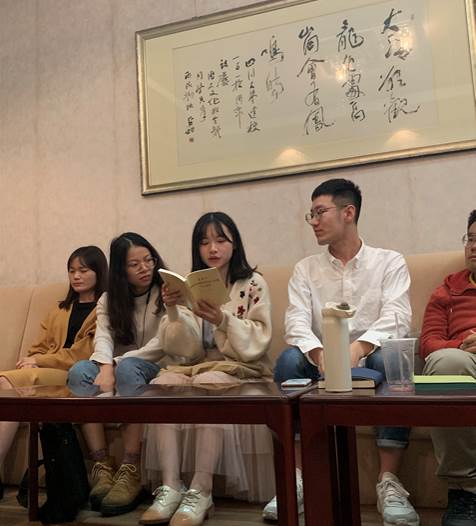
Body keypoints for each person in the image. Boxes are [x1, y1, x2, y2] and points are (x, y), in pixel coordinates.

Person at [263, 178, 420, 526]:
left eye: (320, 212)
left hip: (371, 361)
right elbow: (296, 323)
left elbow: (398, 317)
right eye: (311, 214)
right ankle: (298, 479)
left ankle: (389, 481)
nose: (313, 221)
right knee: (289, 359)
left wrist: (358, 349)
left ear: (348, 213)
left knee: (390, 356)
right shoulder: (305, 269)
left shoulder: (389, 262)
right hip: (319, 363)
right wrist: (322, 355)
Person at [140, 212, 273, 526]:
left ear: (234, 244)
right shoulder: (191, 285)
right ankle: (171, 486)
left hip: (240, 366)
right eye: (204, 242)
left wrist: (223, 320)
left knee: (211, 380)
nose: (212, 248)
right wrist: (172, 308)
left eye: (221, 240)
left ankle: (202, 489)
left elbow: (259, 337)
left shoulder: (253, 283)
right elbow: (184, 349)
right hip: (195, 365)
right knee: (163, 384)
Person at [67, 232, 193, 517]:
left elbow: (162, 343)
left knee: (128, 367)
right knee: (79, 372)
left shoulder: (169, 291)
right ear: (120, 270)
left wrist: (115, 363)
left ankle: (131, 467)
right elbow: (103, 337)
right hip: (120, 366)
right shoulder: (109, 299)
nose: (145, 268)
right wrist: (105, 366)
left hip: (160, 365)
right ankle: (101, 465)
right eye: (134, 264)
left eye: (148, 260)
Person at [0, 245, 108, 501]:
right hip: (48, 370)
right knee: (8, 382)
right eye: (72, 270)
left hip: (76, 372)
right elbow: (37, 347)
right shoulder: (60, 309)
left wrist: (39, 360)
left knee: (5, 380)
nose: (76, 276)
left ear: (99, 272)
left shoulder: (103, 310)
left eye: (83, 270)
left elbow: (82, 354)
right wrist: (33, 360)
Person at [420, 210, 476, 526]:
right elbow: (428, 344)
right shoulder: (447, 291)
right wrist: (463, 345)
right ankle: (464, 491)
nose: (474, 246)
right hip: (465, 361)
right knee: (444, 363)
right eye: (471, 238)